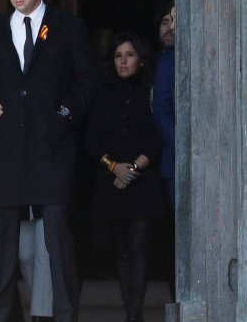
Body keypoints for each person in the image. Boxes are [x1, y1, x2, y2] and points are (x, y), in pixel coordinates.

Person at [0, 0, 99, 322]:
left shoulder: (66, 27)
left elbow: (88, 80)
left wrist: (64, 115)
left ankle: (64, 315)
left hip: (52, 150)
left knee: (58, 243)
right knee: (0, 247)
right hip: (7, 153)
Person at [85, 32, 164, 322]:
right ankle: (130, 311)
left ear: (141, 60)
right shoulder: (104, 93)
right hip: (112, 182)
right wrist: (113, 167)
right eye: (118, 55)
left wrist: (132, 170)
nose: (123, 61)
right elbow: (91, 139)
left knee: (139, 248)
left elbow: (159, 136)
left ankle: (135, 315)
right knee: (120, 252)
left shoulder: (152, 92)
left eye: (129, 55)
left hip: (143, 181)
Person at [152, 1, 176, 209]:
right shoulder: (166, 61)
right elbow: (161, 110)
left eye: (175, 21)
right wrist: (182, 147)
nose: (170, 28)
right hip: (178, 158)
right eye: (165, 22)